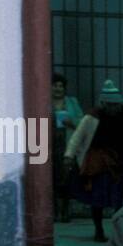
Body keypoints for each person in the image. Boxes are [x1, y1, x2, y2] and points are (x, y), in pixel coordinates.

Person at [64, 79, 123, 241]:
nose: (113, 108)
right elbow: (77, 137)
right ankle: (98, 230)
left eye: (116, 104)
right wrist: (69, 156)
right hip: (98, 163)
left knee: (120, 199)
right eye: (109, 104)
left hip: (121, 163)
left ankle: (119, 232)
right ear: (103, 103)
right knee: (97, 198)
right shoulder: (92, 117)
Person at [51, 73, 83, 222]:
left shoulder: (71, 102)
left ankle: (65, 211)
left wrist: (72, 123)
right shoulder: (44, 101)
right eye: (55, 85)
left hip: (67, 143)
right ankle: (55, 211)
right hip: (50, 144)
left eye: (61, 86)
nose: (58, 89)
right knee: (52, 177)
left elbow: (82, 123)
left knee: (66, 177)